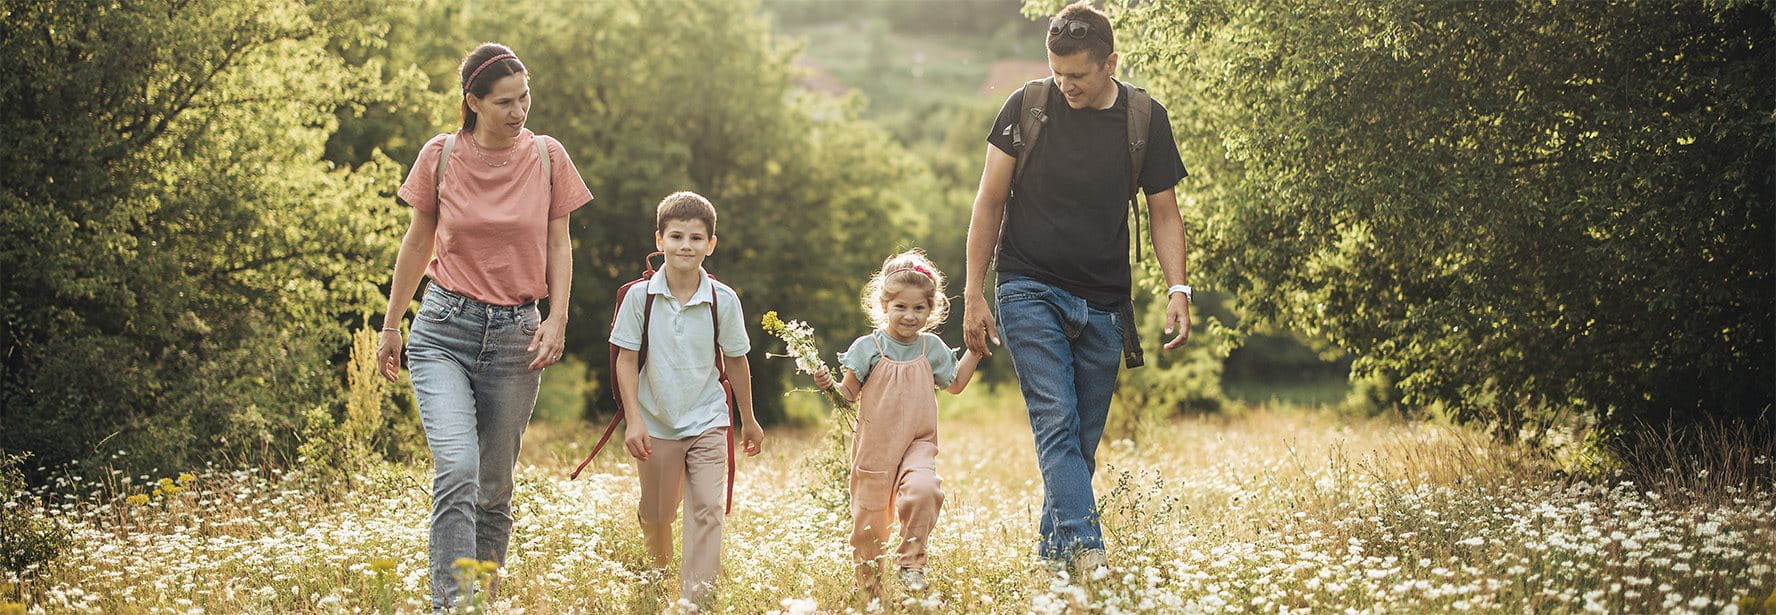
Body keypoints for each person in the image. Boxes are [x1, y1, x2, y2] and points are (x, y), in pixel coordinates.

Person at [959, 1, 1194, 574]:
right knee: (1056, 420)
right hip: (1027, 286)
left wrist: (1178, 288)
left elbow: (1164, 212)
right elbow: (989, 201)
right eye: (1057, 72)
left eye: (1078, 75)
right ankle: (1089, 553)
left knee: (1081, 441)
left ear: (1110, 62)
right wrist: (972, 292)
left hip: (1106, 302)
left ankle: (1052, 559)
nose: (1065, 85)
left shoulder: (1144, 119)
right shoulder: (1028, 106)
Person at [372, 42, 594, 611]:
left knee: (494, 489)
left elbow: (558, 243)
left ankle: (482, 599)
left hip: (518, 335)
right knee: (458, 469)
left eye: (524, 97)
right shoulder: (441, 154)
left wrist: (558, 319)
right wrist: (392, 324)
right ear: (472, 101)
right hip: (444, 328)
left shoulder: (547, 156)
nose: (519, 110)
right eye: (504, 102)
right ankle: (452, 603)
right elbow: (418, 241)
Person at [611, 191, 764, 607]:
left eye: (696, 238)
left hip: (709, 419)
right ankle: (657, 575)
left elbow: (736, 362)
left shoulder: (723, 299)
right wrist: (634, 420)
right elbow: (626, 361)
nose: (685, 246)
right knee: (659, 515)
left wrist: (747, 419)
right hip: (656, 422)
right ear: (659, 239)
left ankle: (695, 601)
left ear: (710, 245)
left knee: (707, 511)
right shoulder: (639, 298)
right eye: (676, 236)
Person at [809, 250, 982, 597]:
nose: (909, 315)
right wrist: (828, 385)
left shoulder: (930, 348)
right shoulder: (867, 348)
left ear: (930, 311)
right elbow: (848, 396)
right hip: (875, 450)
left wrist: (975, 350)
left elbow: (956, 384)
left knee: (925, 491)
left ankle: (912, 564)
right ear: (884, 305)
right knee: (869, 528)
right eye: (900, 306)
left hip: (918, 445)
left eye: (919, 308)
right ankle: (870, 596)